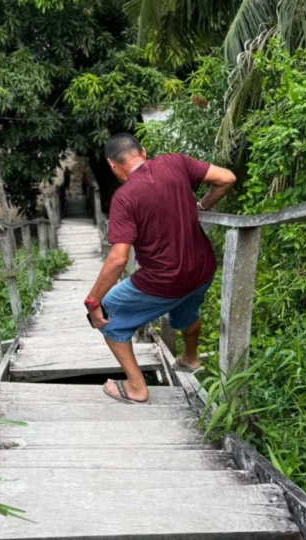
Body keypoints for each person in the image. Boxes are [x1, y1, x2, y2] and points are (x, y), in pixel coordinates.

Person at [84, 133, 236, 404]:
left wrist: (93, 301)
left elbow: (119, 259)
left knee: (108, 316)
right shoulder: (176, 163)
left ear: (112, 165)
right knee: (186, 311)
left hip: (163, 281)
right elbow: (227, 179)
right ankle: (190, 358)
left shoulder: (125, 198)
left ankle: (136, 387)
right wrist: (202, 205)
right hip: (201, 269)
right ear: (143, 152)